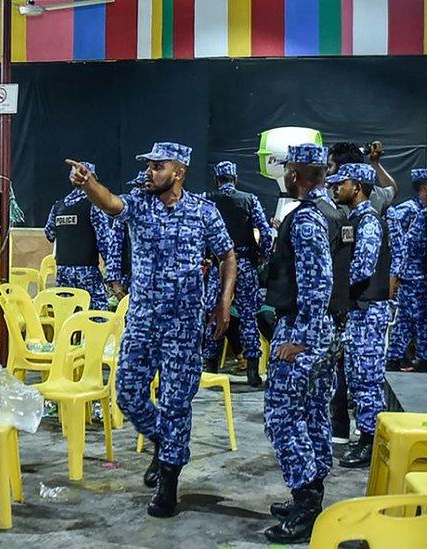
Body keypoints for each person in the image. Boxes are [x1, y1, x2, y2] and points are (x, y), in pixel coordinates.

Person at [67, 142, 236, 518]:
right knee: (127, 394)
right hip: (142, 321)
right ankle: (165, 442)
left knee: (177, 404)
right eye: (148, 166)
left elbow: (227, 254)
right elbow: (110, 202)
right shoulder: (139, 205)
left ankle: (169, 484)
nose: (149, 172)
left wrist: (224, 304)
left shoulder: (203, 212)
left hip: (184, 324)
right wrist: (87, 184)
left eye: (157, 167)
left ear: (178, 172)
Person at [262, 143, 335, 543]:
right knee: (312, 413)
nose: (286, 175)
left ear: (297, 174)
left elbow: (318, 281)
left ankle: (306, 500)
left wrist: (301, 339)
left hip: (303, 329)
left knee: (281, 416)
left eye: (288, 168)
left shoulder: (307, 219)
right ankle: (312, 491)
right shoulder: (328, 210)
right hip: (322, 329)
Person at [328, 164, 392, 468]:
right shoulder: (352, 219)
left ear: (358, 186)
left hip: (367, 310)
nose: (335, 187)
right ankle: (365, 435)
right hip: (356, 310)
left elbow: (363, 267)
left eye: (341, 183)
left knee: (366, 378)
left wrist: (334, 286)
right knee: (355, 376)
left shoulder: (367, 221)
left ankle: (369, 441)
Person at [201, 161, 273, 387]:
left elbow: (199, 231)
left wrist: (204, 255)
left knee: (215, 313)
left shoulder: (207, 200)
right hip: (245, 264)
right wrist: (262, 255)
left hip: (218, 265)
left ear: (216, 180)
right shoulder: (249, 200)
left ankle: (211, 368)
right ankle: (252, 371)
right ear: (235, 179)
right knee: (248, 315)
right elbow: (266, 232)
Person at [43, 161, 112, 310]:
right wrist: (113, 274)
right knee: (97, 319)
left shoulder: (58, 206)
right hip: (87, 273)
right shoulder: (94, 205)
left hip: (63, 273)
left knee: (67, 318)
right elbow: (105, 242)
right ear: (92, 178)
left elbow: (49, 234)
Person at [385, 168, 427, 371]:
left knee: (409, 319)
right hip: (412, 275)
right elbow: (396, 240)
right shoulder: (410, 209)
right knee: (415, 318)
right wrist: (397, 271)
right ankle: (418, 358)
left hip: (417, 275)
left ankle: (397, 357)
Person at [105, 170, 146, 299]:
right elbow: (114, 246)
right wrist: (114, 281)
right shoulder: (128, 211)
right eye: (141, 186)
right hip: (131, 278)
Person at [327, 141, 397, 214]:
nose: (327, 170)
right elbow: (392, 190)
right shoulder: (375, 193)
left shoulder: (328, 194)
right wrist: (375, 163)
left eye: (330, 166)